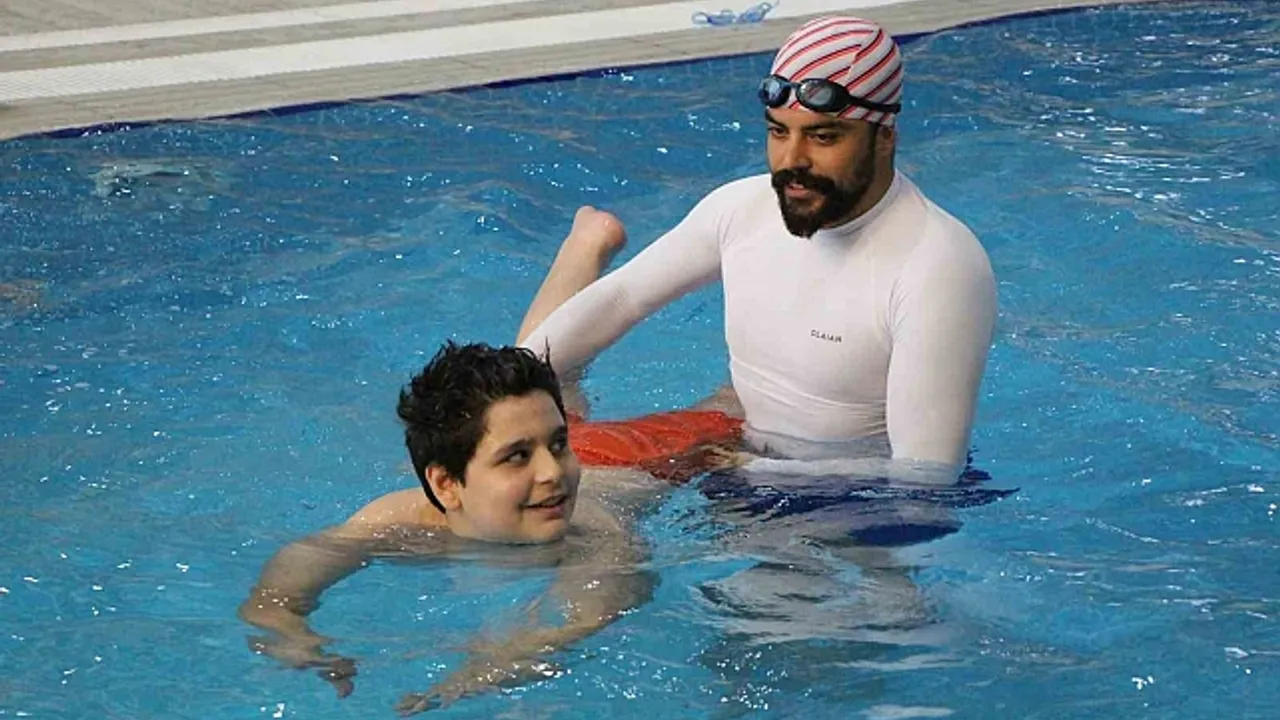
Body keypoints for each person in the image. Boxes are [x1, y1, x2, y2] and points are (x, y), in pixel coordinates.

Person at [239, 213, 743, 715]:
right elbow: (298, 566)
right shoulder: (403, 520)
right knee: (543, 388)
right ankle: (586, 245)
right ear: (445, 485)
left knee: (737, 413)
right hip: (530, 437)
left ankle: (587, 251)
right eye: (517, 458)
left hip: (631, 458)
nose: (552, 472)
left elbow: (590, 613)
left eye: (557, 447)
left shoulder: (594, 537)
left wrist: (473, 677)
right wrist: (284, 627)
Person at [519, 16, 998, 477]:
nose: (792, 161)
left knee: (580, 514)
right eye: (778, 131)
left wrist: (759, 471)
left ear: (885, 137)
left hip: (846, 497)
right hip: (740, 447)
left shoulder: (936, 266)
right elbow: (624, 298)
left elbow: (925, 474)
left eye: (823, 137)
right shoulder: (742, 209)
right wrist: (502, 384)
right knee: (530, 451)